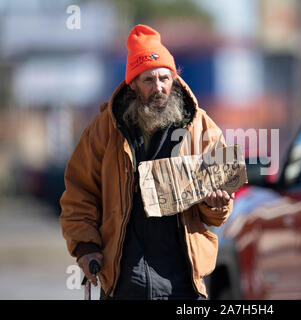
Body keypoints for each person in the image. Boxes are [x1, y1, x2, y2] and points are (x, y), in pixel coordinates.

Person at [59, 24, 234, 300]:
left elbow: (220, 205)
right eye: (148, 80)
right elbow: (79, 192)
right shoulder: (102, 130)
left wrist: (216, 204)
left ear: (174, 79)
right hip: (124, 279)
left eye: (164, 78)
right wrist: (85, 246)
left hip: (184, 280)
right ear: (132, 84)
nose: (159, 88)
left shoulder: (203, 127)